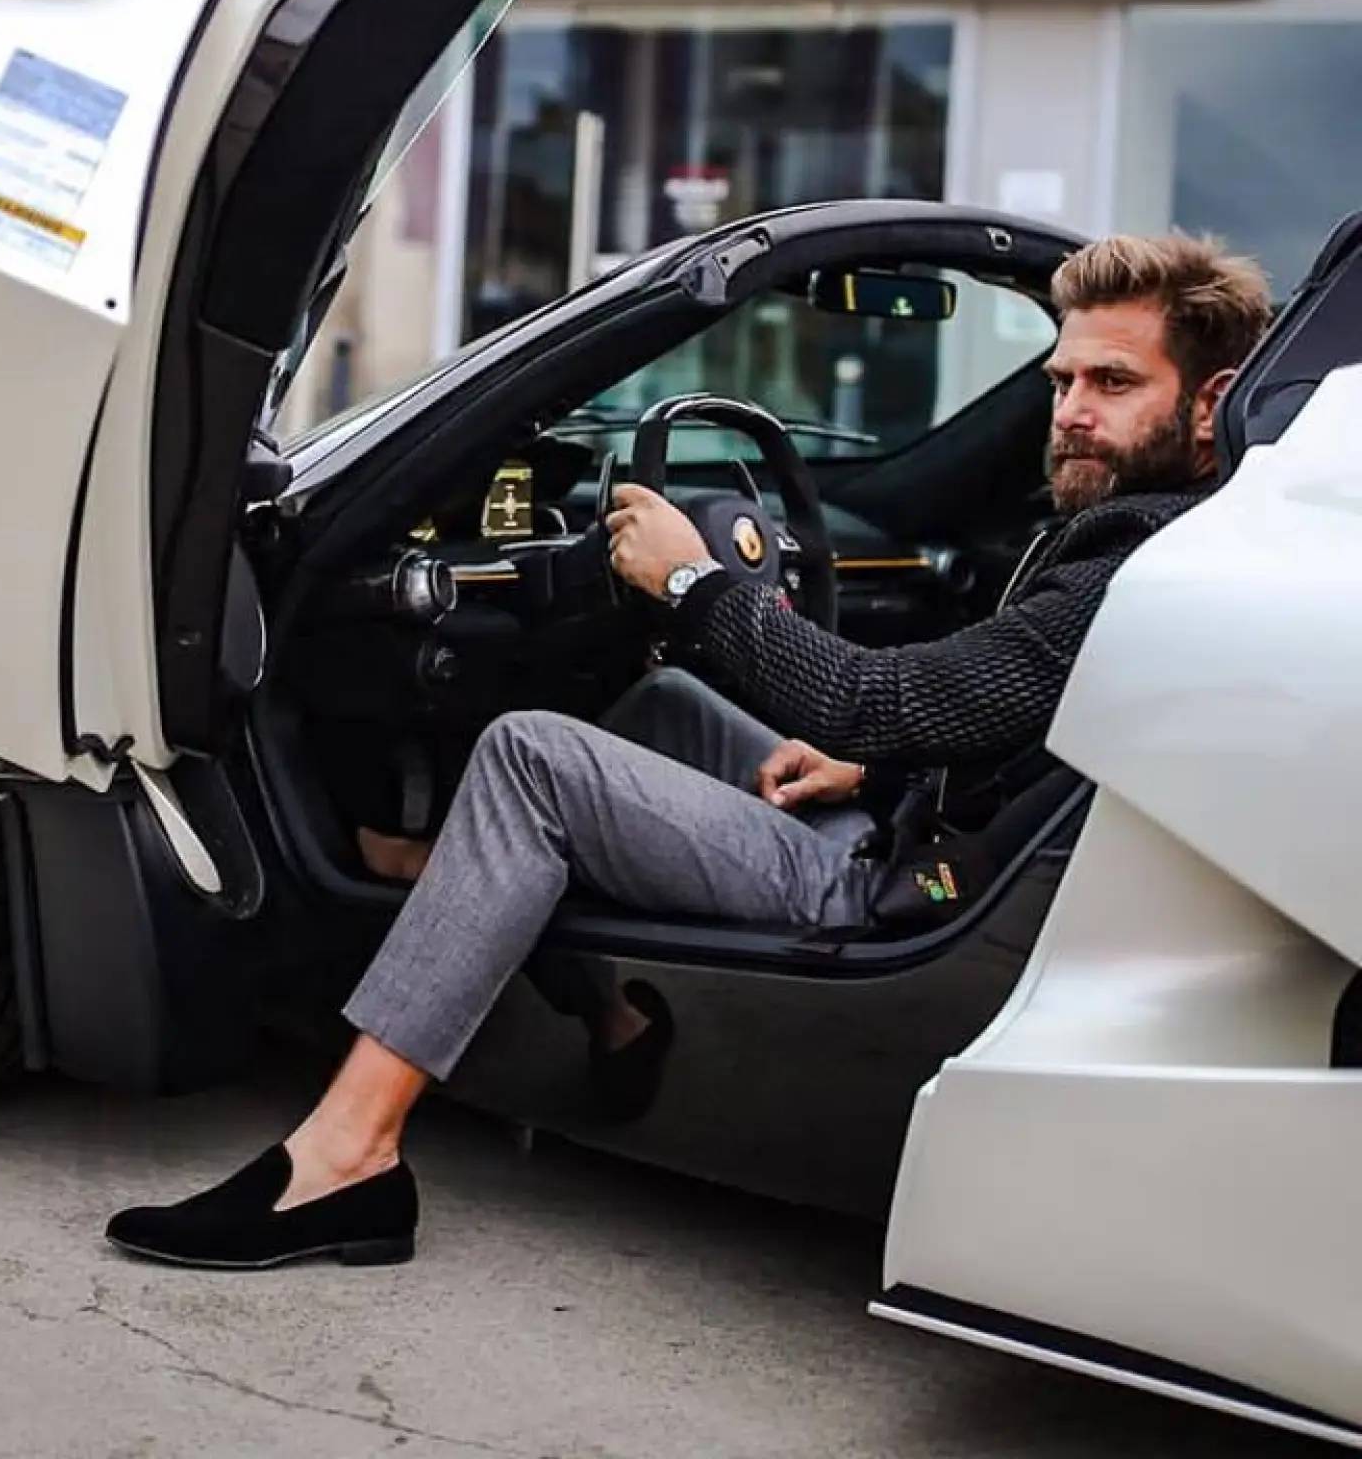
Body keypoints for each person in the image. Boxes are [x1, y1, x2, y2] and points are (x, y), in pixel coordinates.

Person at [105, 232, 1275, 1271]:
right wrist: (865, 769)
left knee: (529, 755)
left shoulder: (1133, 558)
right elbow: (1019, 724)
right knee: (660, 700)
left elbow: (872, 694)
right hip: (909, 818)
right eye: (1062, 377)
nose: (1068, 407)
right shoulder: (1147, 535)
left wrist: (688, 576)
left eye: (1112, 382)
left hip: (885, 885)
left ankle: (345, 1157)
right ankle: (604, 1011)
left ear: (1211, 400)